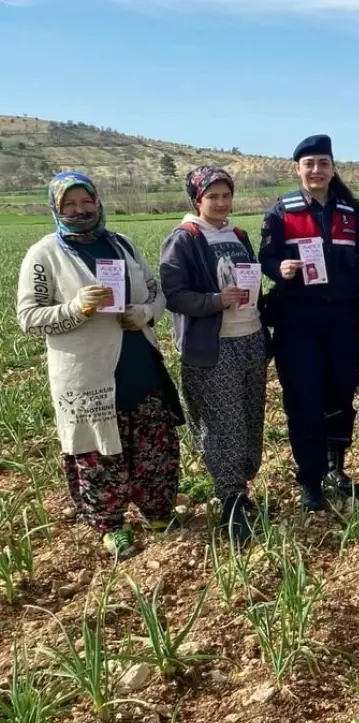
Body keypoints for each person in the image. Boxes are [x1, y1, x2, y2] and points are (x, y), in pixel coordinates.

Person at [16, 172, 183, 559]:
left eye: (85, 202)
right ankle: (112, 525)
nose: (80, 210)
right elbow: (28, 317)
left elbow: (155, 291)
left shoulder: (121, 244)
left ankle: (158, 512)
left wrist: (143, 313)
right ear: (55, 208)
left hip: (138, 364)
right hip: (87, 373)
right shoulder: (45, 255)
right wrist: (76, 308)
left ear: (97, 201)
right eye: (69, 204)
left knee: (153, 444)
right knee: (98, 453)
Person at [259, 135, 359, 511]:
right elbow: (266, 258)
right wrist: (280, 268)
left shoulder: (350, 214)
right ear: (298, 169)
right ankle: (310, 479)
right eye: (310, 164)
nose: (317, 170)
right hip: (298, 322)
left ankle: (335, 467)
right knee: (304, 400)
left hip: (343, 320)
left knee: (340, 397)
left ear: (333, 168)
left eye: (323, 163)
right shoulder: (281, 211)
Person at [160, 167, 268, 543]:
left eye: (226, 196)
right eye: (212, 197)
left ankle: (242, 486)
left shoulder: (237, 234)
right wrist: (215, 301)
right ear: (197, 200)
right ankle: (232, 499)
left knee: (251, 416)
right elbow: (174, 294)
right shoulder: (183, 239)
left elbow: (250, 278)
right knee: (222, 423)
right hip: (213, 346)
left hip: (251, 337)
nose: (221, 203)